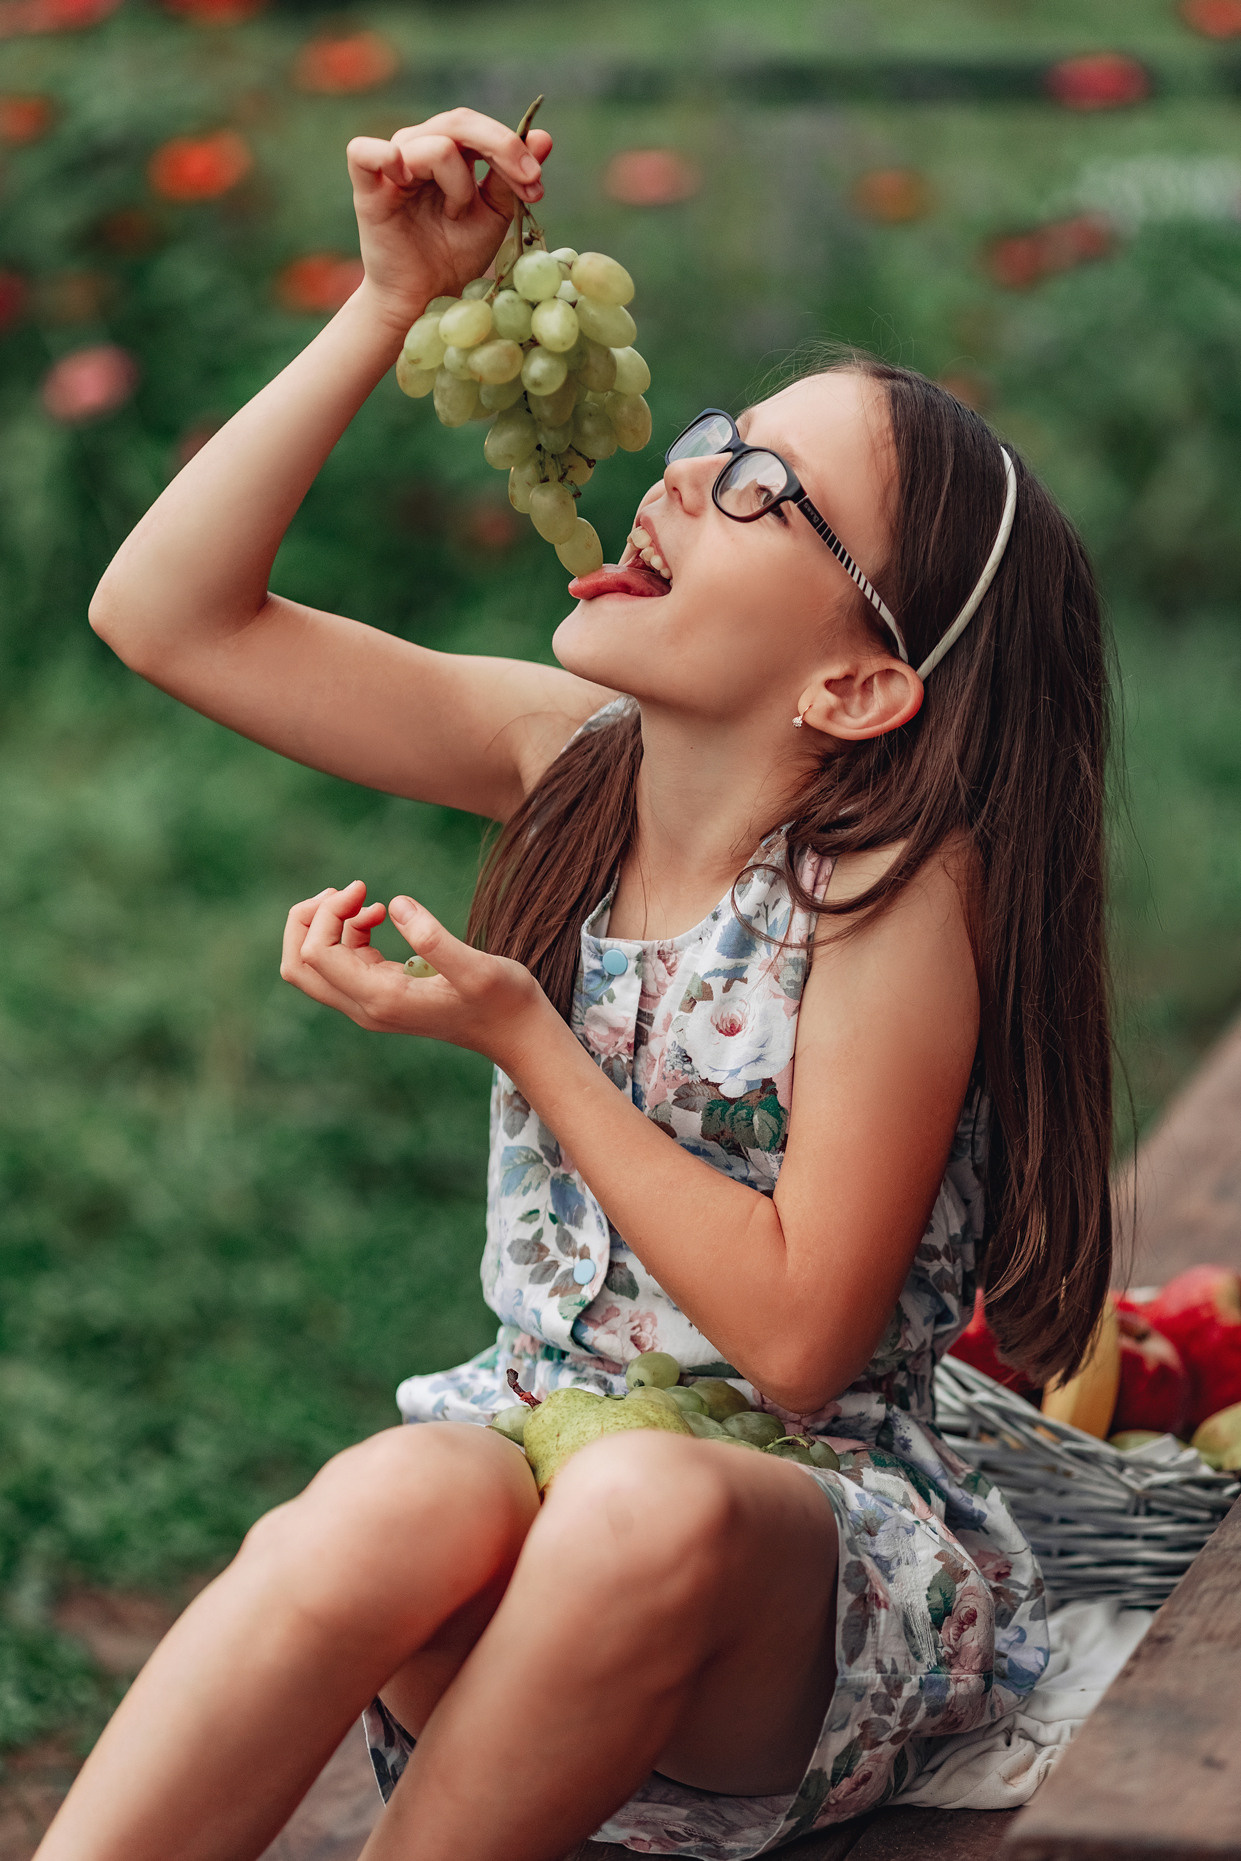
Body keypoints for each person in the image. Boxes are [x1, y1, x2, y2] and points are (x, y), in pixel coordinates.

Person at [36, 106, 1115, 1861]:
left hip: (801, 1573)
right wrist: (386, 301)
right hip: (537, 1464)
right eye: (712, 442)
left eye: (764, 490)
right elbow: (169, 616)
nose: (683, 474)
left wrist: (528, 1037)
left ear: (854, 688)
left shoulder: (892, 891)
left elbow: (793, 1338)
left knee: (637, 1501)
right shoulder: (572, 760)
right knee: (376, 1501)